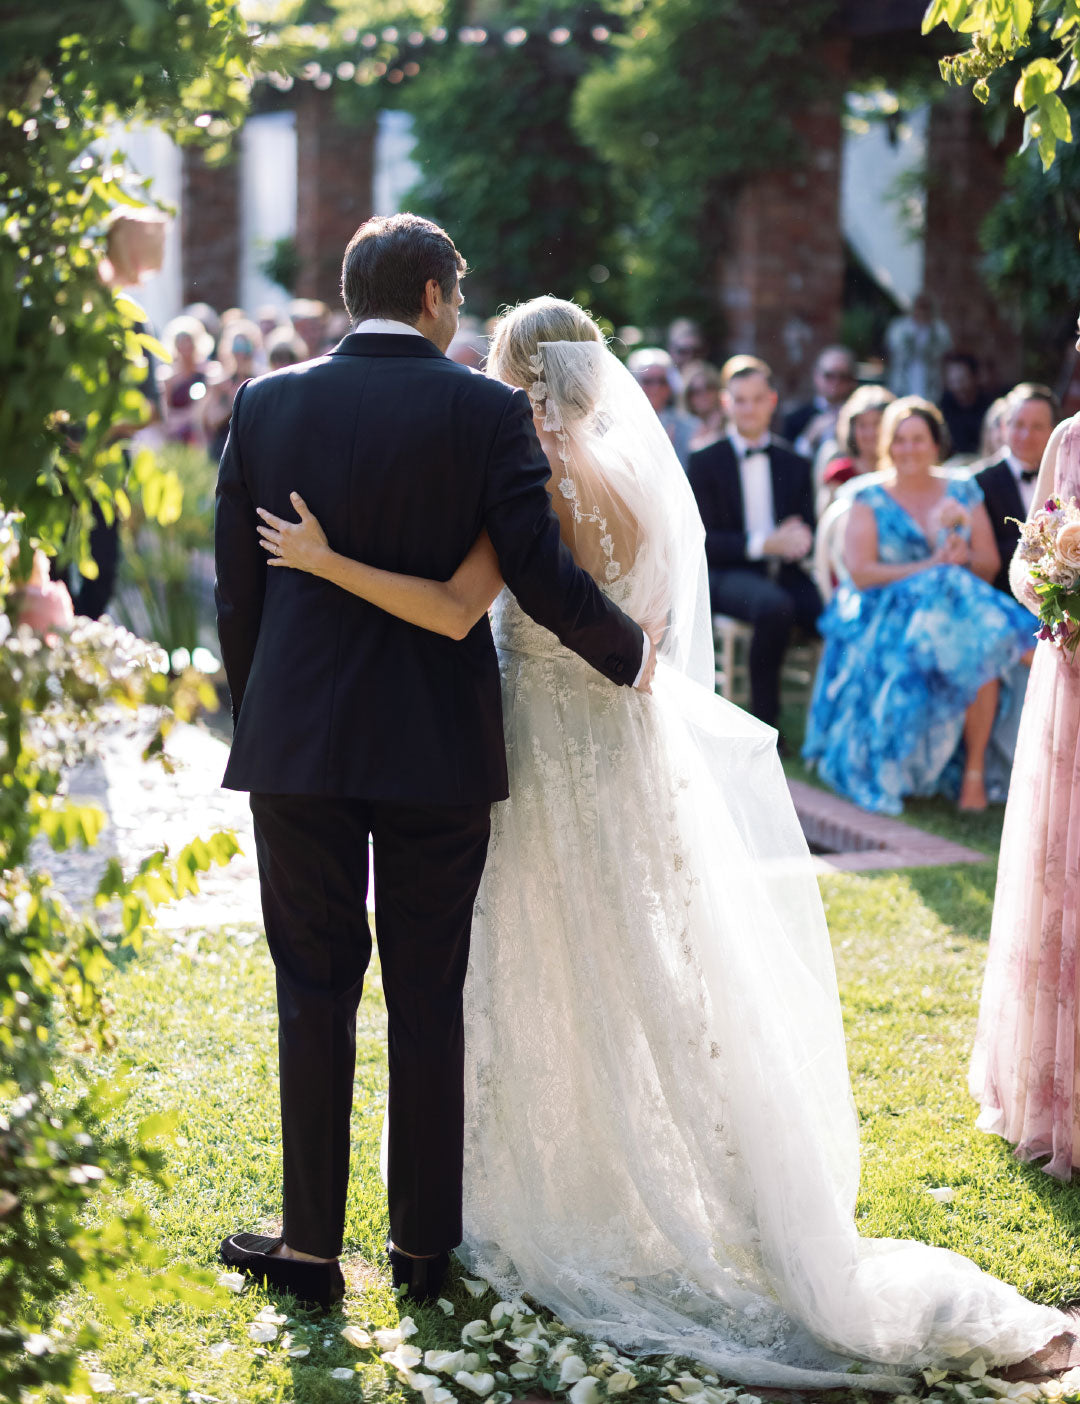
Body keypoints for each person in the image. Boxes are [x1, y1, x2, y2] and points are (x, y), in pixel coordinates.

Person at [255, 304, 1067, 1385]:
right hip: (623, 747)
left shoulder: (523, 474)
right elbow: (648, 628)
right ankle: (632, 1178)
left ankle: (544, 1195)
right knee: (633, 967)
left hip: (542, 747)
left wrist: (321, 558)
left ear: (515, 379)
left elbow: (459, 609)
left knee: (538, 963)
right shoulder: (636, 475)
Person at [213, 215, 650, 1312]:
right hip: (435, 750)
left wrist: (262, 715)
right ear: (433, 293)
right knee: (426, 995)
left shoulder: (267, 403)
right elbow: (541, 572)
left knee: (311, 992)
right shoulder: (486, 410)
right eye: (456, 288)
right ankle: (420, 1251)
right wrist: (632, 653)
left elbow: (238, 591)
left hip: (298, 746)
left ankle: (310, 1250)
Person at [802, 397, 1035, 815]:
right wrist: (930, 566)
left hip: (951, 612)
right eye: (900, 440)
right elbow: (862, 574)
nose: (908, 449)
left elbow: (988, 565)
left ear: (935, 444)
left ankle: (974, 773)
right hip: (884, 610)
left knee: (971, 632)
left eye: (918, 439)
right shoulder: (867, 495)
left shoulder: (962, 490)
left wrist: (960, 556)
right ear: (889, 446)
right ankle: (1029, 646)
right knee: (973, 627)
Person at [970, 341, 1080, 1180]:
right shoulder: (1067, 441)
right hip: (1069, 676)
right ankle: (1053, 1093)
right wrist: (1053, 589)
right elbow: (1024, 556)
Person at [688, 356, 821, 734]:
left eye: (757, 398)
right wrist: (766, 544)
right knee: (775, 607)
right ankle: (766, 725)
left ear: (772, 401)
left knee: (832, 616)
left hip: (785, 570)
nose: (749, 408)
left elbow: (806, 523)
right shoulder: (704, 461)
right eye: (740, 399)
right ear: (726, 404)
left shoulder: (795, 461)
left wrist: (802, 536)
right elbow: (704, 540)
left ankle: (830, 727)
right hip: (729, 572)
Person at [975, 384, 1060, 598]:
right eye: (1019, 424)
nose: (1026, 435)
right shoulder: (978, 482)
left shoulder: (1066, 477)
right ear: (1004, 427)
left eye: (1037, 427)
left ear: (1053, 431)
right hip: (1003, 601)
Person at [815, 384, 895, 516]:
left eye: (877, 424)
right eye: (862, 425)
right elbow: (827, 522)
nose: (870, 433)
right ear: (851, 429)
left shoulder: (900, 471)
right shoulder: (840, 474)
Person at [627, 347, 701, 469]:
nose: (655, 388)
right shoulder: (621, 425)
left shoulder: (690, 426)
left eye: (661, 381)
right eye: (648, 381)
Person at [782, 346, 858, 460]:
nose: (836, 382)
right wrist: (809, 437)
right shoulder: (795, 418)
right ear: (816, 376)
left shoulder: (859, 417)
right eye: (829, 375)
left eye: (843, 377)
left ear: (852, 381)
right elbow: (787, 463)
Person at [201, 320, 262, 461]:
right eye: (236, 348)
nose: (241, 353)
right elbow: (212, 420)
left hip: (254, 450)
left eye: (245, 347)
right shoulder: (221, 382)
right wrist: (232, 401)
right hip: (224, 451)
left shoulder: (262, 379)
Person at [884, 292, 952, 401]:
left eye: (926, 307)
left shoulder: (940, 330)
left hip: (931, 385)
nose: (922, 311)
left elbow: (946, 357)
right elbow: (890, 353)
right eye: (920, 307)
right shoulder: (899, 328)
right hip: (903, 382)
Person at [160, 314, 214, 444]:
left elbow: (204, 407)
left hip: (199, 434)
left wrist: (185, 418)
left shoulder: (207, 372)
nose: (184, 346)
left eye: (188, 341)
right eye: (180, 342)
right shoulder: (168, 376)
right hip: (175, 434)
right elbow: (164, 409)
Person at [940, 351, 992, 457]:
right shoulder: (944, 407)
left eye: (962, 380)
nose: (958, 387)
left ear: (975, 377)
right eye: (953, 382)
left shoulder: (989, 407)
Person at [682, 360, 726, 451]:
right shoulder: (682, 426)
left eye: (709, 388)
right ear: (688, 396)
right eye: (696, 391)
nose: (704, 396)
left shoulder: (730, 419)